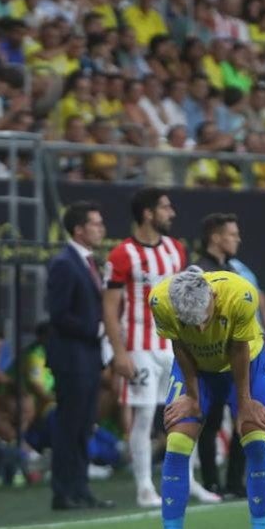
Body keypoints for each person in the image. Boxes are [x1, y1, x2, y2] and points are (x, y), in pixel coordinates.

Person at [145, 267, 265, 529]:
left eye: (204, 319)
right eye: (193, 323)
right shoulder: (160, 302)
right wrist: (192, 396)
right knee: (176, 441)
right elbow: (179, 345)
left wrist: (244, 403)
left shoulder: (240, 295)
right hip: (196, 370)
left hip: (246, 366)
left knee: (255, 438)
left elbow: (239, 348)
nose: (201, 329)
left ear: (213, 297)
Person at [103, 187, 193, 508]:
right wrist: (119, 352)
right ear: (147, 213)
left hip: (172, 346)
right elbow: (110, 308)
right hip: (138, 346)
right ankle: (143, 486)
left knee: (186, 411)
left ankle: (189, 481)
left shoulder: (176, 250)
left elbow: (183, 299)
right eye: (166, 208)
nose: (172, 213)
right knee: (143, 416)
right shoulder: (121, 254)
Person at [46, 200, 115, 511]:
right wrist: (96, 329)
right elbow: (59, 314)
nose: (101, 229)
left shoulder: (89, 262)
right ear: (78, 229)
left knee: (85, 424)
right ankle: (63, 491)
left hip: (87, 357)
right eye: (95, 224)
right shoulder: (64, 263)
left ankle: (81, 488)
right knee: (69, 424)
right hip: (71, 357)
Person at [191, 212, 247, 497]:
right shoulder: (198, 271)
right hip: (211, 359)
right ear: (215, 237)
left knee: (243, 419)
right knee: (210, 422)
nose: (237, 239)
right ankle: (212, 482)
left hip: (235, 358)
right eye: (231, 234)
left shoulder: (234, 271)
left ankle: (236, 482)